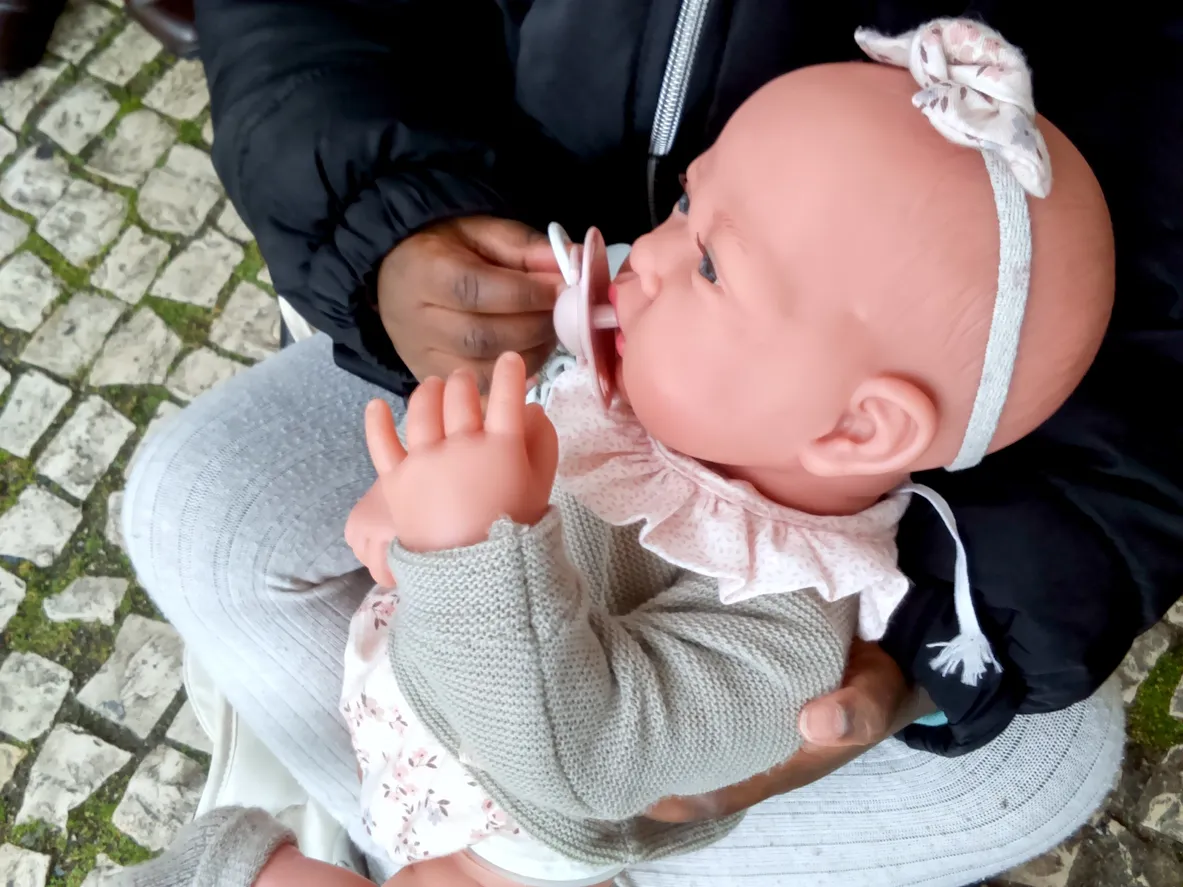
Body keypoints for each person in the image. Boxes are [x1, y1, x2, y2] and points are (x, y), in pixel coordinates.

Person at [120, 2, 1182, 885]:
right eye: (684, 204)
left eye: (711, 263)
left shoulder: (787, 631)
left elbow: (581, 752)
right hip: (428, 691)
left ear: (860, 424)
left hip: (508, 811)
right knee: (188, 502)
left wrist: (468, 543)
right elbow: (548, 449)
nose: (652, 255)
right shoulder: (664, 386)